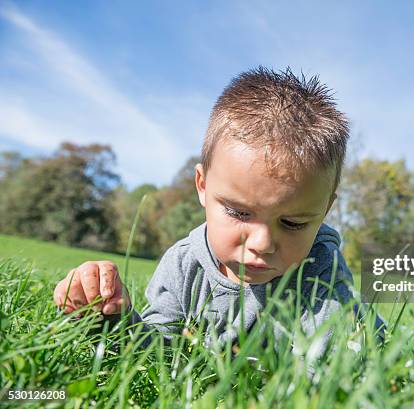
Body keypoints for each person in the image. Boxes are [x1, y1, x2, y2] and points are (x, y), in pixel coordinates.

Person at [53, 67, 386, 354]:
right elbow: (158, 354)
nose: (262, 242)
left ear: (325, 209)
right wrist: (113, 318)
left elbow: (331, 355)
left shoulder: (319, 265)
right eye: (240, 213)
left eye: (292, 222)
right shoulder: (185, 266)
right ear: (202, 185)